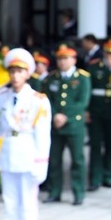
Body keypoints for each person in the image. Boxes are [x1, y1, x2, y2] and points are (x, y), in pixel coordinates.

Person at [0, 48, 51, 220]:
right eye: (12, 71)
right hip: (8, 154)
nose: (15, 76)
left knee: (28, 206)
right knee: (10, 204)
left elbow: (43, 135)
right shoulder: (0, 97)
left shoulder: (38, 100)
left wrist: (42, 163)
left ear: (28, 74)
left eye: (20, 71)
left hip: (28, 154)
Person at [42, 44, 91, 205]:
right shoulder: (52, 78)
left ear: (74, 59)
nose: (62, 62)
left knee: (77, 160)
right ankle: (55, 191)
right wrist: (55, 115)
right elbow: (47, 99)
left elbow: (82, 101)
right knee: (54, 160)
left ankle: (78, 192)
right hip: (56, 126)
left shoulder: (82, 78)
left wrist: (65, 116)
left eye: (66, 58)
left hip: (74, 125)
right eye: (60, 59)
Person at [87, 40, 111, 191]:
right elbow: (88, 90)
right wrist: (87, 111)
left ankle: (107, 175)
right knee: (95, 145)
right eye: (108, 53)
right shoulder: (94, 66)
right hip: (96, 110)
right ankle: (95, 178)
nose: (110, 56)